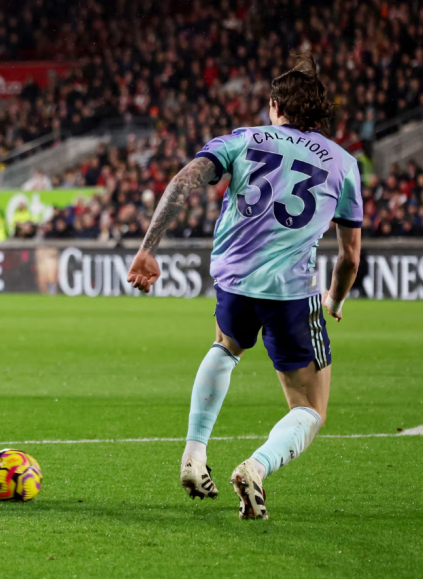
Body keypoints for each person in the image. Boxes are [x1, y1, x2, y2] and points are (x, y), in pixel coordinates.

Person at [127, 52, 362, 520]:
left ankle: (194, 455)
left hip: (233, 281)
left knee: (225, 347)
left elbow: (184, 180)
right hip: (292, 293)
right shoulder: (344, 164)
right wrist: (335, 298)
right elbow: (350, 256)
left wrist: (149, 246)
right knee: (311, 408)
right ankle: (255, 467)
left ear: (275, 105)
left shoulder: (243, 139)